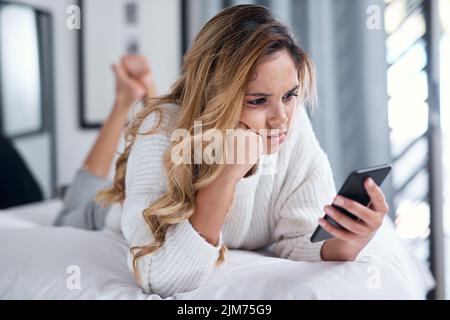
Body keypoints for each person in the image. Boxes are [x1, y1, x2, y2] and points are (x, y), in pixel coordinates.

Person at [59, 5, 390, 298]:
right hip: (108, 212)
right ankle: (125, 101)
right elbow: (161, 278)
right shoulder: (160, 129)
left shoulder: (291, 121)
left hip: (189, 120)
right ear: (215, 95)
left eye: (290, 94)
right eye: (258, 100)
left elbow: (300, 238)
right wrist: (227, 172)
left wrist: (350, 241)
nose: (281, 118)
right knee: (69, 211)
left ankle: (145, 93)